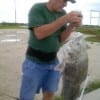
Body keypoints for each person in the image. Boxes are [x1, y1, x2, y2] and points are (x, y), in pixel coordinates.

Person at [19, 0, 83, 100]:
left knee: (50, 93)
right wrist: (64, 19)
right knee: (27, 96)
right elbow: (39, 34)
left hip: (54, 63)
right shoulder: (38, 8)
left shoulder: (62, 13)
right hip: (34, 62)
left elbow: (61, 39)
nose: (65, 5)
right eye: (64, 1)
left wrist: (71, 26)